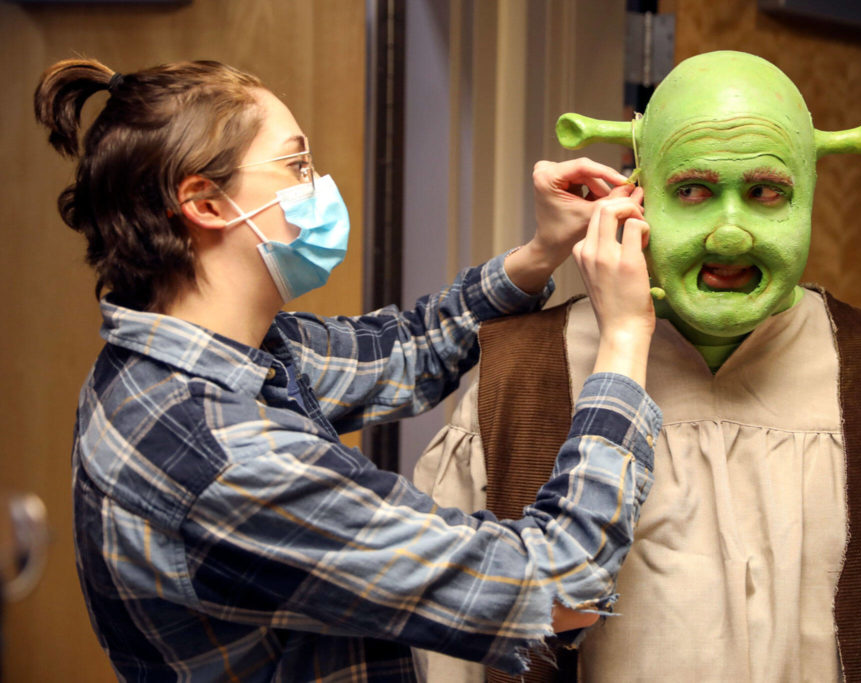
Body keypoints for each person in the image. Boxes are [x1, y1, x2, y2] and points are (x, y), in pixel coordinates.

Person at [34, 58, 664, 681]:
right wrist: (627, 335)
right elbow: (558, 585)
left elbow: (408, 350)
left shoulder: (188, 359)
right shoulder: (225, 457)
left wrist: (541, 252)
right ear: (206, 202)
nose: (319, 186)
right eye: (296, 165)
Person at [414, 51, 861, 681]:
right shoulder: (521, 381)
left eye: (765, 192)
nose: (730, 234)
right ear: (634, 195)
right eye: (693, 191)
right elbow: (443, 645)